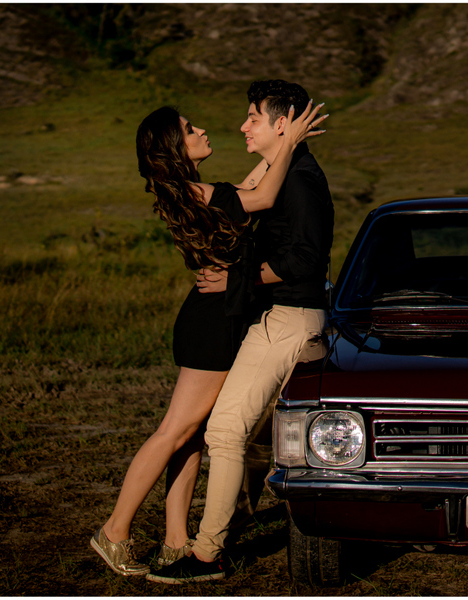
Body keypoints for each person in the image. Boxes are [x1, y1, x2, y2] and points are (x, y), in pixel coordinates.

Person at [91, 100, 327, 577]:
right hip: (212, 321)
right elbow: (260, 199)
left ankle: (176, 540)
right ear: (176, 148)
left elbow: (254, 185)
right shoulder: (191, 190)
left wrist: (281, 140)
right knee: (174, 431)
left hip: (220, 313)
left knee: (191, 434)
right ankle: (114, 532)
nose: (202, 130)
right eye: (189, 128)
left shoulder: (201, 189)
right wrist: (290, 141)